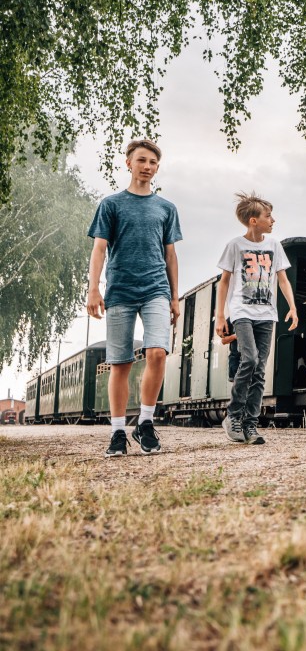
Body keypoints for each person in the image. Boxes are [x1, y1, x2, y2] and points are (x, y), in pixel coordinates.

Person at [86, 138, 182, 457]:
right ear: (129, 163)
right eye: (141, 160)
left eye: (153, 162)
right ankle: (116, 432)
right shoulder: (111, 204)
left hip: (156, 288)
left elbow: (171, 255)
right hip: (120, 291)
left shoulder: (166, 208)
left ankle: (145, 422)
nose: (147, 166)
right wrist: (93, 288)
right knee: (121, 363)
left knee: (157, 353)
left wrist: (174, 296)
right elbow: (99, 248)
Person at [214, 192, 299, 445]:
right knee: (249, 359)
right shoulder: (235, 246)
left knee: (260, 371)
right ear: (253, 220)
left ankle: (251, 425)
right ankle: (233, 416)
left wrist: (292, 307)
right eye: (268, 216)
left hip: (266, 314)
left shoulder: (274, 245)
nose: (273, 220)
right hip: (241, 312)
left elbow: (282, 279)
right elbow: (224, 282)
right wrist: (220, 315)